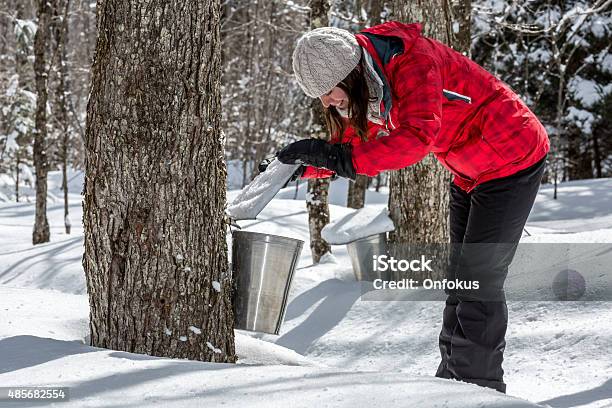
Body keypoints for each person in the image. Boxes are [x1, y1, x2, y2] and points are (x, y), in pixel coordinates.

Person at [270, 21, 549, 394]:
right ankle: (455, 379)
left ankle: (479, 388)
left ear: (350, 73)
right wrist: (302, 166)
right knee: (462, 276)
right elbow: (355, 141)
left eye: (327, 90)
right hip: (469, 169)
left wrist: (335, 157)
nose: (326, 102)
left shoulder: (414, 63)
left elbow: (417, 137)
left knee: (480, 277)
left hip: (513, 155)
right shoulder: (373, 75)